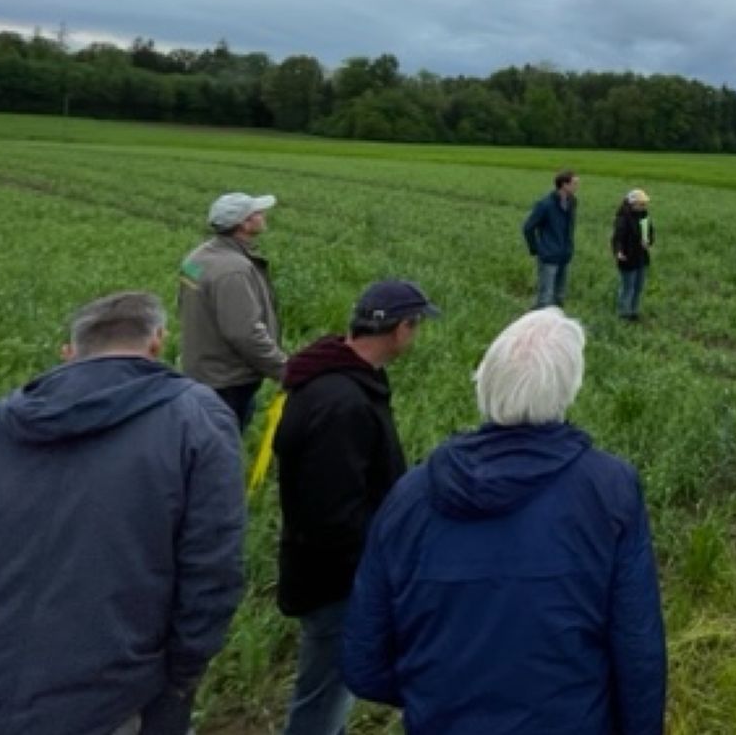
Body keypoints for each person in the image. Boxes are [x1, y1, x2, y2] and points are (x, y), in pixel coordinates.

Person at [343, 308, 667, 734]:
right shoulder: (611, 490)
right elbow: (638, 650)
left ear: (486, 381)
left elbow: (364, 663)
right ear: (570, 388)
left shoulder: (409, 497)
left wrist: (435, 696)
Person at [0, 292, 245, 734]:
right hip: (115, 694)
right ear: (157, 341)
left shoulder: (1, 422)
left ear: (73, 350)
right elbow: (212, 565)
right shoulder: (196, 419)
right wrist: (182, 675)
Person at [274, 279, 439, 735]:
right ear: (402, 329)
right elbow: (332, 518)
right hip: (336, 583)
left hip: (326, 574)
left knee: (329, 690)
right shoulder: (342, 405)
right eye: (416, 325)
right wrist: (379, 564)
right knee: (321, 701)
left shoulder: (335, 381)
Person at [179, 191, 287, 430]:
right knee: (224, 443)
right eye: (257, 213)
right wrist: (285, 370)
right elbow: (244, 333)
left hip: (203, 370)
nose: (263, 215)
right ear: (243, 224)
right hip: (228, 382)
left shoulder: (196, 258)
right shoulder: (234, 271)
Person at [522, 170, 579, 309]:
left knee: (560, 296)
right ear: (564, 185)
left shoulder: (572, 202)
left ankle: (556, 320)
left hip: (564, 255)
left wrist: (569, 248)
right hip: (548, 256)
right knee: (545, 297)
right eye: (574, 183)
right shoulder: (545, 204)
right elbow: (528, 227)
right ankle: (536, 319)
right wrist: (536, 249)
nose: (576, 186)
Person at [612, 188, 655, 321]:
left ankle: (634, 312)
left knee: (638, 287)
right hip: (628, 258)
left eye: (645, 204)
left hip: (641, 257)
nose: (644, 206)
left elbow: (650, 234)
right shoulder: (623, 219)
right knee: (628, 288)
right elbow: (617, 238)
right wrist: (618, 251)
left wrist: (649, 242)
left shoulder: (644, 217)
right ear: (632, 204)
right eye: (641, 204)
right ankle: (624, 314)